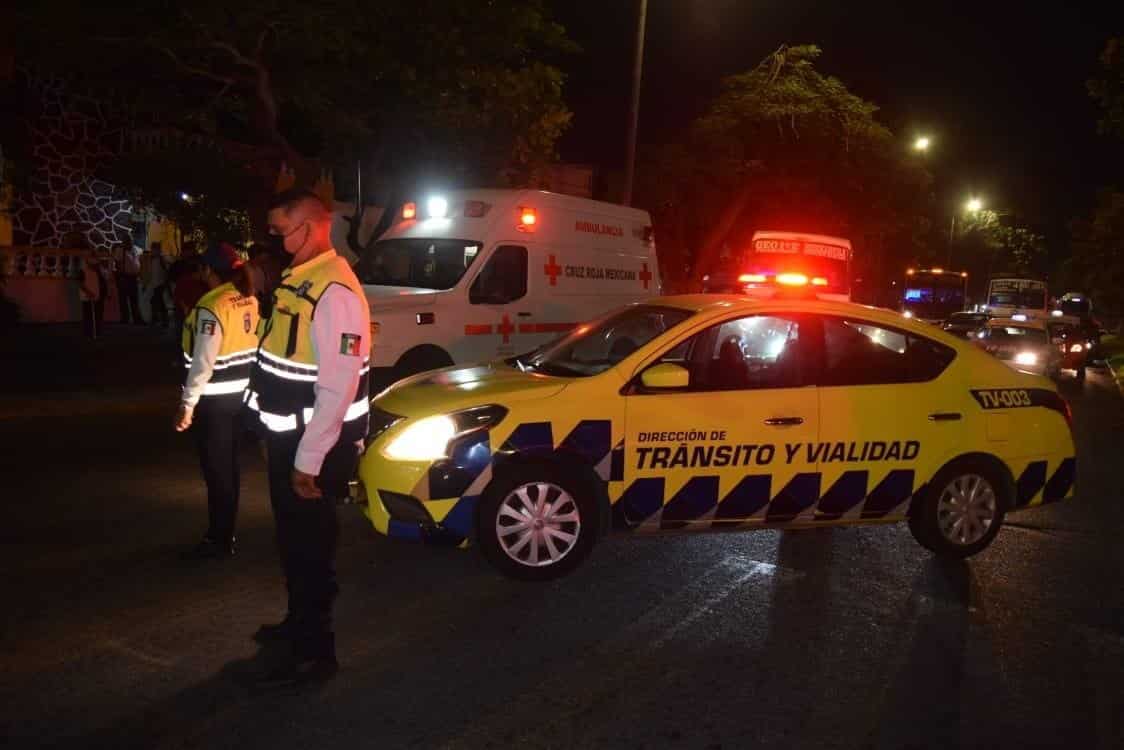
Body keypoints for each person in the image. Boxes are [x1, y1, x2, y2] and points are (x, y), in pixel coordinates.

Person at [244, 189, 370, 686]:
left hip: (312, 454)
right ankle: (298, 625)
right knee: (294, 545)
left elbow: (337, 388)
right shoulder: (301, 281)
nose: (273, 241)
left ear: (313, 227)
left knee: (311, 551)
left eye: (280, 232)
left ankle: (316, 653)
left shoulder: (334, 292)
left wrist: (309, 461)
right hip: (289, 445)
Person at [175, 243, 261, 559]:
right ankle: (225, 532)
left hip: (215, 403)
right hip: (241, 398)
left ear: (208, 271)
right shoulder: (248, 298)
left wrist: (187, 403)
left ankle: (220, 538)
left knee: (217, 472)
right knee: (229, 468)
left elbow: (203, 360)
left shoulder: (211, 306)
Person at [114, 241, 143, 324]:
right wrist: (120, 274)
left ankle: (136, 318)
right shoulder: (119, 250)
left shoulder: (135, 249)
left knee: (134, 299)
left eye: (130, 242)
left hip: (133, 277)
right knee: (123, 300)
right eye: (128, 242)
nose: (129, 244)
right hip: (124, 277)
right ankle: (125, 319)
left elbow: (139, 258)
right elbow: (117, 263)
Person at [144, 243, 171, 327]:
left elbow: (165, 270)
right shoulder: (152, 259)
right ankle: (160, 319)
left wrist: (165, 282)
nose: (153, 251)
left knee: (157, 301)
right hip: (155, 283)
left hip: (160, 283)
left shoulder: (161, 259)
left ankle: (159, 319)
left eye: (155, 249)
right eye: (153, 249)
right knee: (157, 301)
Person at [79, 251, 104, 338]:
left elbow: (101, 281)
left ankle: (96, 332)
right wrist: (88, 292)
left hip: (95, 295)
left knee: (96, 315)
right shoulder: (83, 270)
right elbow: (81, 284)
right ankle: (88, 333)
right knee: (88, 315)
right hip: (87, 296)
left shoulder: (97, 271)